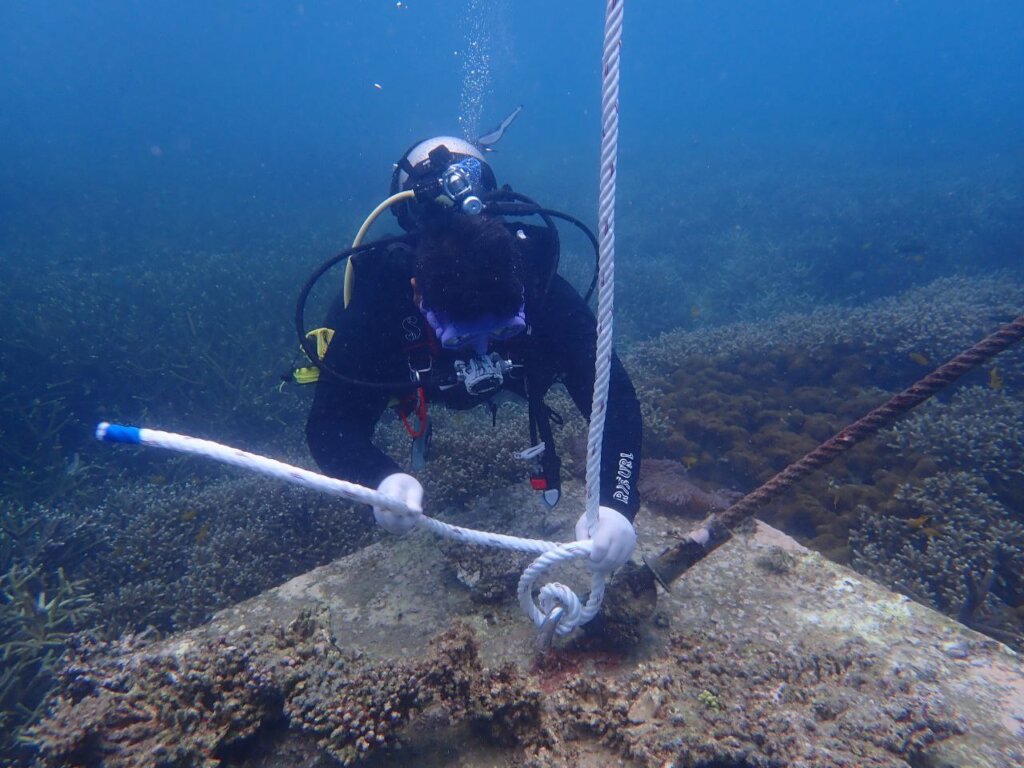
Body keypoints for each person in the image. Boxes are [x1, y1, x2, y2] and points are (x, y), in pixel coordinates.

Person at [304, 135, 642, 575]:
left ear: (520, 286)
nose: (481, 354)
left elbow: (612, 397)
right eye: (461, 340)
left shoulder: (541, 291)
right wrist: (380, 478)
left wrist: (617, 503)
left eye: (501, 331)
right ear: (416, 294)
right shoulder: (383, 301)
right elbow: (331, 423)